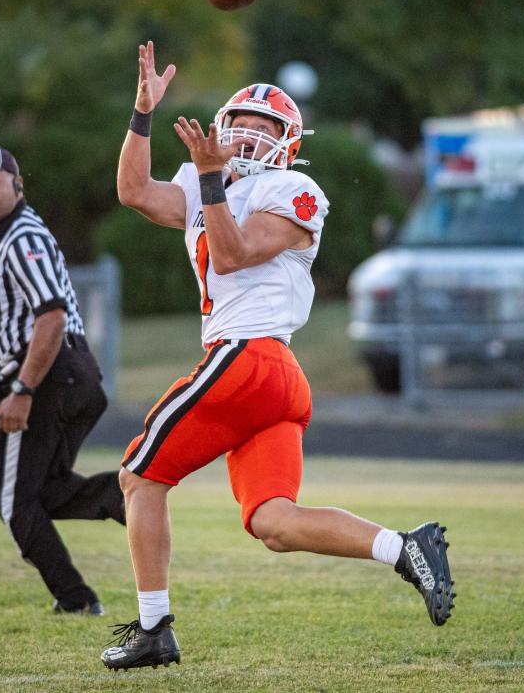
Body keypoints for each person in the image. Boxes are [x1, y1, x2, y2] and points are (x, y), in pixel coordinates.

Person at [99, 42, 455, 671]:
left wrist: (210, 178)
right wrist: (142, 112)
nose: (249, 134)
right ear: (221, 128)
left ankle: (153, 628)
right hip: (273, 379)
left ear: (289, 143)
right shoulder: (205, 182)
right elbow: (131, 190)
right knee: (275, 523)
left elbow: (232, 254)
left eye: (266, 128)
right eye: (241, 123)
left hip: (251, 357)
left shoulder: (296, 189)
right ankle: (405, 548)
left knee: (139, 476)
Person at [0, 144, 125, 616]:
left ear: (17, 185)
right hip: (62, 374)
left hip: (47, 374)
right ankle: (122, 495)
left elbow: (51, 317)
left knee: (13, 502)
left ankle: (77, 600)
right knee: (41, 494)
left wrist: (22, 391)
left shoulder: (21, 236)